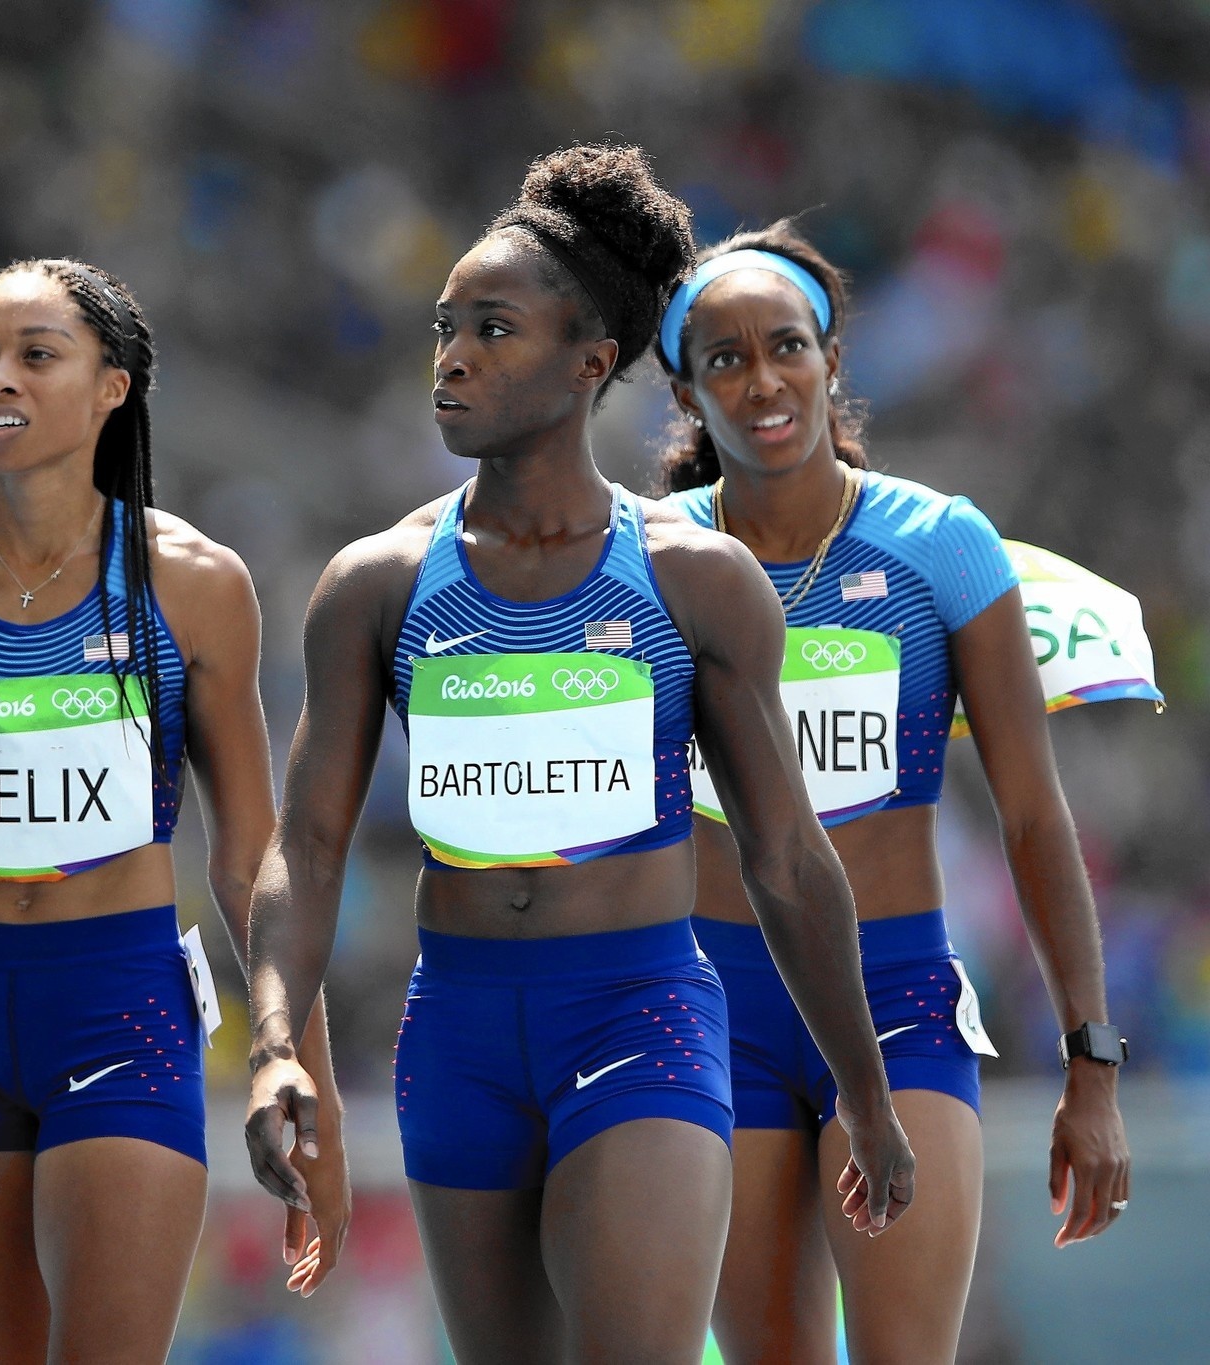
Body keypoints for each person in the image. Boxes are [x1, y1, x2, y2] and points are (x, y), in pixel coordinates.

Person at [243, 144, 915, 1364]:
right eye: (443, 329)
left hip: (636, 1012)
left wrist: (863, 1093)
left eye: (492, 330)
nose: (450, 358)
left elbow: (783, 858)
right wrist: (275, 1041)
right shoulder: (376, 585)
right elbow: (309, 843)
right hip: (453, 1034)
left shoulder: (690, 579)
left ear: (589, 361)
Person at [0, 257, 347, 1365]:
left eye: (37, 356)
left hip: (117, 1006)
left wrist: (292, 1060)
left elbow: (251, 859)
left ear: (112, 387)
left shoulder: (191, 583)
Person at [654, 222, 1129, 1364]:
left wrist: (1089, 1062)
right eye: (725, 358)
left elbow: (1030, 815)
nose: (762, 379)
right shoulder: (649, 556)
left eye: (785, 346)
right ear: (683, 388)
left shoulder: (936, 544)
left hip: (899, 995)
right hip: (718, 1010)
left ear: (828, 359)